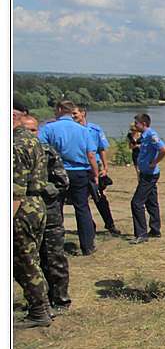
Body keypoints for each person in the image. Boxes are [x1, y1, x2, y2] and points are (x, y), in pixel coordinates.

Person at [22, 114, 72, 315]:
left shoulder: (47, 152)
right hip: (25, 215)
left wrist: (39, 189)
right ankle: (39, 300)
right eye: (26, 130)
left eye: (34, 130)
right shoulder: (16, 152)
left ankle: (60, 300)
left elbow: (62, 182)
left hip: (48, 212)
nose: (31, 135)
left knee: (53, 257)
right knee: (30, 259)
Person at [38, 100, 99, 256]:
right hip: (80, 171)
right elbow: (91, 154)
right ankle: (87, 245)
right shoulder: (83, 130)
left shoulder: (49, 128)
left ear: (59, 109)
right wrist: (95, 174)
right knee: (82, 207)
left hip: (57, 171)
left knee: (55, 207)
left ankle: (54, 246)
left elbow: (40, 149)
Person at [13, 106, 52, 328]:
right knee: (32, 259)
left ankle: (39, 310)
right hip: (36, 204)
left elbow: (15, 189)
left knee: (24, 262)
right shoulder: (32, 140)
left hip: (22, 207)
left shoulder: (16, 145)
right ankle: (43, 306)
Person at [72, 105, 121, 236]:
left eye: (75, 113)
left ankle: (110, 225)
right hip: (79, 167)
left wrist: (105, 168)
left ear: (83, 113)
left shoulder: (95, 129)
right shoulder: (71, 129)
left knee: (99, 198)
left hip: (94, 167)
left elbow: (102, 149)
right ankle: (89, 226)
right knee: (81, 200)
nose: (73, 116)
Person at [130, 113, 165, 244]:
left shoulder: (151, 135)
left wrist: (154, 162)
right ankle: (155, 230)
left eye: (136, 123)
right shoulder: (145, 136)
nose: (135, 126)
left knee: (136, 202)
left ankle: (141, 233)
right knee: (151, 202)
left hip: (149, 175)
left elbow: (164, 150)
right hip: (146, 173)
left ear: (144, 124)